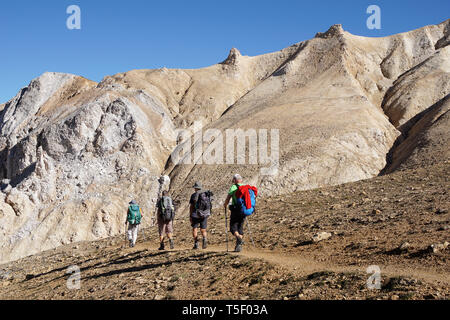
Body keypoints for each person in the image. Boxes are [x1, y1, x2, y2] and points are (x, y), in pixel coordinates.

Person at [223, 174, 245, 252]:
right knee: (240, 227)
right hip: (244, 210)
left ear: (235, 180)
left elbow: (228, 198)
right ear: (241, 180)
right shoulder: (245, 186)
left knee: (233, 227)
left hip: (235, 209)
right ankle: (238, 246)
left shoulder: (233, 187)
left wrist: (225, 205)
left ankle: (239, 238)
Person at [189, 182, 212, 250]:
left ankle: (196, 244)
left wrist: (190, 215)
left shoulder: (194, 195)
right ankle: (204, 238)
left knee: (195, 228)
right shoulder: (206, 194)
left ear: (195, 188)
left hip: (195, 214)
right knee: (203, 229)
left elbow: (191, 206)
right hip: (204, 214)